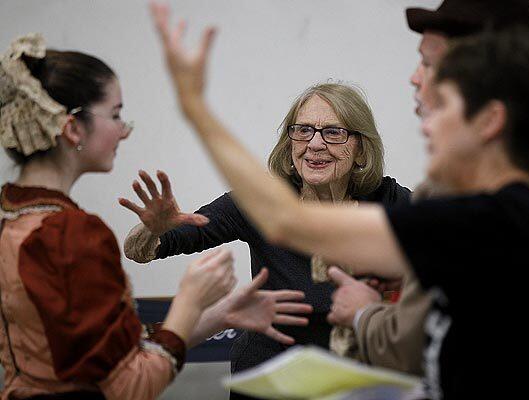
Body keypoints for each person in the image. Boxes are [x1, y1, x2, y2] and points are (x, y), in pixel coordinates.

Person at [150, 3, 529, 398]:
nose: (424, 122)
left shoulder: (489, 222)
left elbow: (286, 220)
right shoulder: (513, 214)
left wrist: (196, 107)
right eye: (302, 131)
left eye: (441, 105)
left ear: (490, 122)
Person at [0, 33, 310, 400]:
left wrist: (221, 313)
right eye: (115, 115)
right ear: (72, 128)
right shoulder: (70, 233)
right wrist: (191, 301)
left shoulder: (13, 218)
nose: (124, 130)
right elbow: (131, 384)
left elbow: (97, 356)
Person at [328, 0, 529, 375]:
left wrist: (362, 312)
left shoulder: (460, 185)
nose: (414, 78)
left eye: (428, 62)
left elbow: (410, 346)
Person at [119, 81, 412, 379]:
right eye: (303, 130)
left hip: (360, 380)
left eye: (333, 133)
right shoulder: (261, 202)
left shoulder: (388, 200)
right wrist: (151, 228)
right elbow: (140, 251)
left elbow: (451, 249)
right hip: (271, 379)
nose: (314, 144)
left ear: (361, 149)